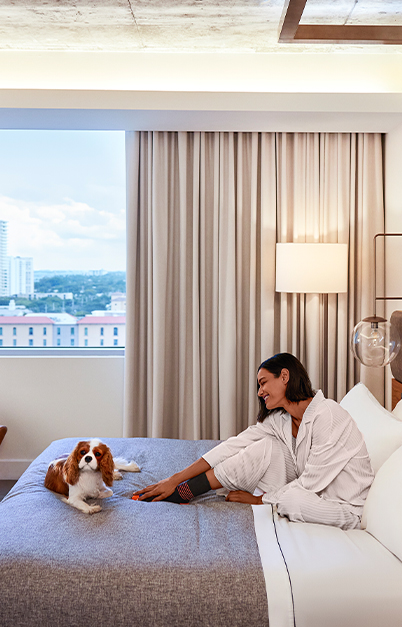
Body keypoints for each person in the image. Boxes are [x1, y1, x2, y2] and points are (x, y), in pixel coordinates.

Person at [133, 353, 374, 530]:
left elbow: (309, 485)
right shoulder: (282, 419)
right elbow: (233, 445)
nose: (259, 392)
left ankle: (193, 491)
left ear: (285, 376)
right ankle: (187, 490)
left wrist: (259, 500)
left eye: (263, 382)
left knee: (292, 498)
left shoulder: (328, 416)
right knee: (265, 447)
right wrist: (174, 479)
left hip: (343, 507)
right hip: (312, 489)